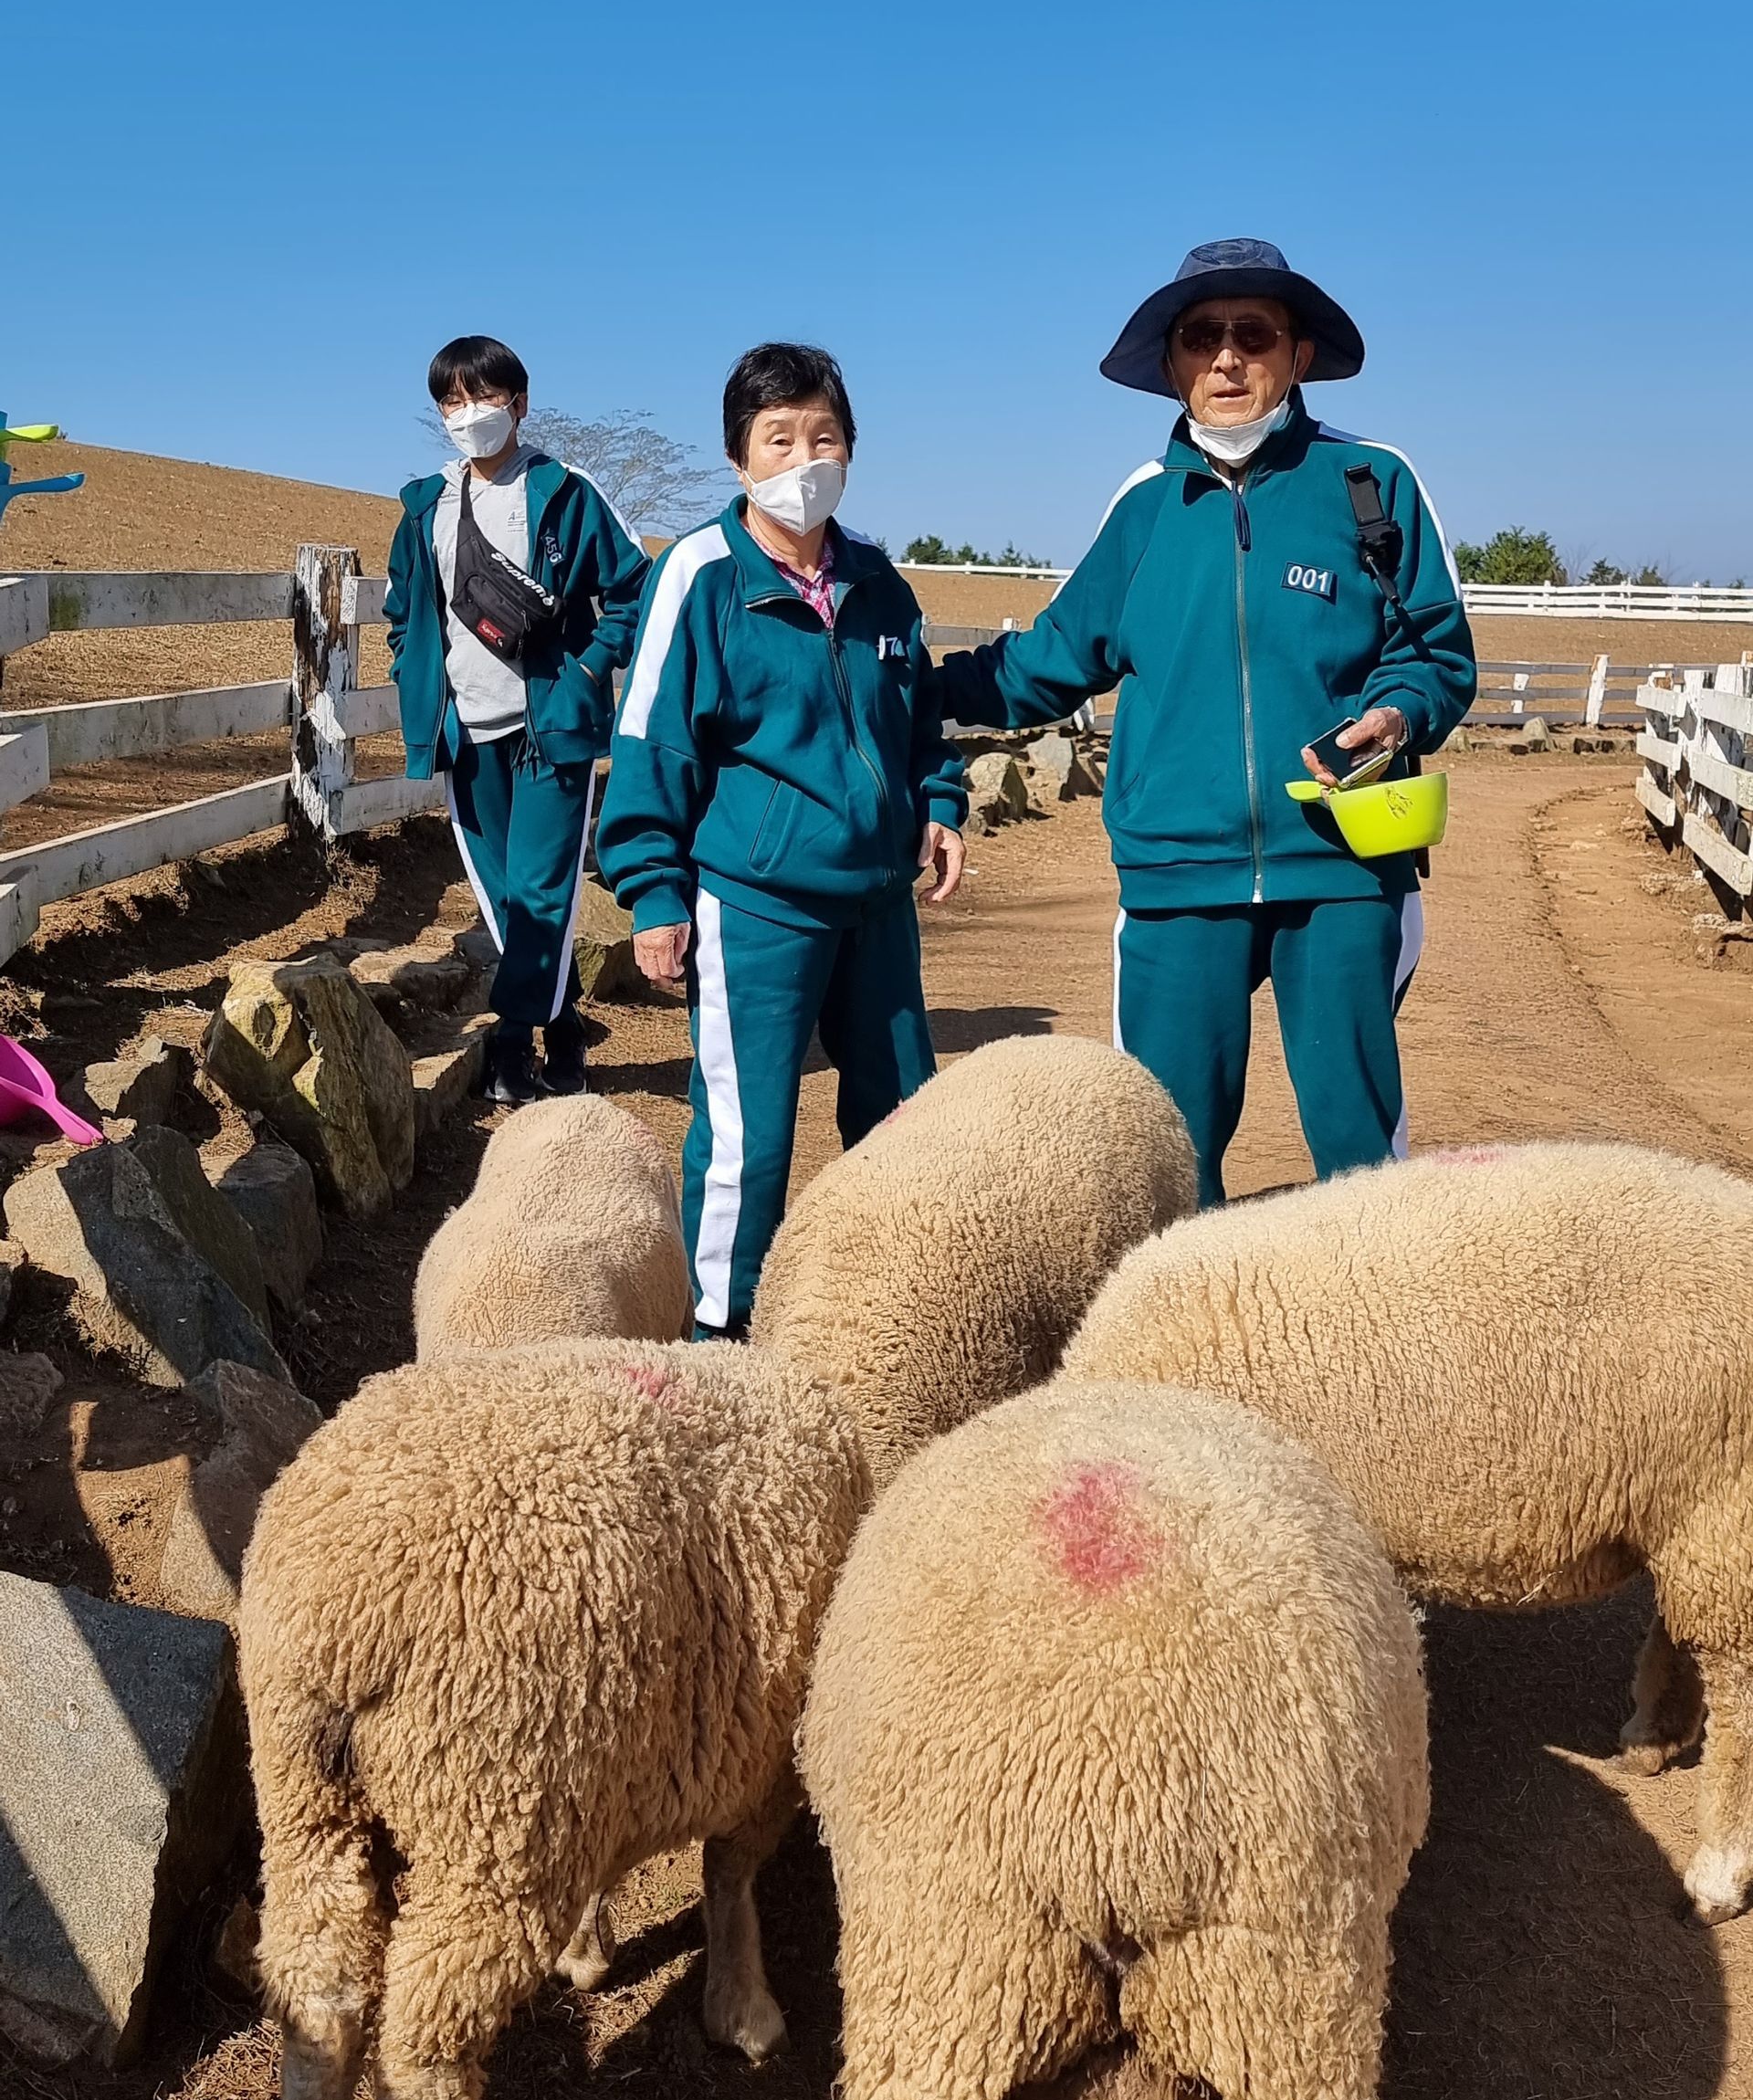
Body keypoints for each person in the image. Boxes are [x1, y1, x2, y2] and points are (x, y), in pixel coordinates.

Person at [937, 238, 1476, 1206]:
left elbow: (1434, 652)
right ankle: (1178, 1345)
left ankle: (1369, 1341)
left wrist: (1399, 711)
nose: (1227, 358)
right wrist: (908, 681)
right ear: (1174, 364)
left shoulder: (1372, 487)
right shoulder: (1144, 510)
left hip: (1344, 864)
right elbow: (1046, 663)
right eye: (1201, 337)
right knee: (1168, 1149)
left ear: (1298, 354)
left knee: (1360, 1149)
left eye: (1253, 333)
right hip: (1176, 870)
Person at [594, 341, 967, 1339]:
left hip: (879, 899)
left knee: (900, 1116)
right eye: (779, 437)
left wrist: (939, 798)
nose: (805, 457)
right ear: (737, 456)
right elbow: (650, 738)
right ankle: (720, 1329)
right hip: (754, 901)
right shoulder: (699, 577)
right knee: (749, 1139)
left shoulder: (882, 584)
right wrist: (654, 890)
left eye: (824, 435)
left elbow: (918, 714)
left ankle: (887, 1315)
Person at [386, 334, 650, 1106]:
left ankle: (510, 1044)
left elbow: (636, 591)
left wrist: (589, 670)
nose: (469, 415)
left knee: (542, 890)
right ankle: (562, 1022)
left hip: (549, 730)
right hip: (465, 734)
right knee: (503, 894)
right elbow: (406, 610)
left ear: (520, 404)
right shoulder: (425, 507)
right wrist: (414, 673)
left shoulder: (566, 494)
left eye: (483, 397)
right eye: (452, 402)